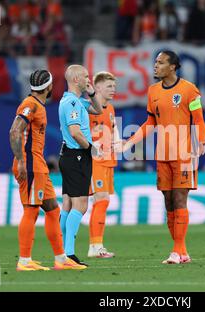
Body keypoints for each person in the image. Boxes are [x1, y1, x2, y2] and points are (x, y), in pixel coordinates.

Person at [122, 50, 205, 264]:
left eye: (160, 63)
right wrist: (131, 141)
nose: (155, 66)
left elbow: (198, 120)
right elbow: (151, 122)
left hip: (184, 153)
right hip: (163, 155)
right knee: (168, 202)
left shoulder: (189, 90)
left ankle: (176, 251)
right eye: (155, 62)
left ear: (173, 67)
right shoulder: (152, 91)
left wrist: (200, 142)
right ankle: (182, 251)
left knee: (180, 199)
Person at [9, 69, 86, 271]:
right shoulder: (30, 105)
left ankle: (61, 259)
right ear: (49, 86)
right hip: (30, 165)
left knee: (53, 210)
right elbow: (15, 131)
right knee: (31, 210)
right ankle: (24, 261)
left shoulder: (37, 105)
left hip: (39, 165)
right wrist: (21, 161)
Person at [58, 65, 103, 267]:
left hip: (69, 155)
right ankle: (68, 254)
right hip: (77, 155)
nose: (88, 79)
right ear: (76, 79)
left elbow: (99, 109)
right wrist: (91, 148)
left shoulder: (73, 100)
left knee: (67, 204)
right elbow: (76, 132)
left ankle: (62, 253)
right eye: (86, 77)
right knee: (81, 205)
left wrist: (92, 92)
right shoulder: (73, 103)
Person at [87, 71, 120, 258]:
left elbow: (113, 128)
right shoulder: (89, 108)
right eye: (109, 86)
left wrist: (118, 142)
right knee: (101, 200)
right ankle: (95, 247)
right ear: (97, 87)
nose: (113, 90)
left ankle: (96, 245)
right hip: (94, 160)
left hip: (108, 160)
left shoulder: (111, 108)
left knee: (102, 202)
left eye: (114, 86)